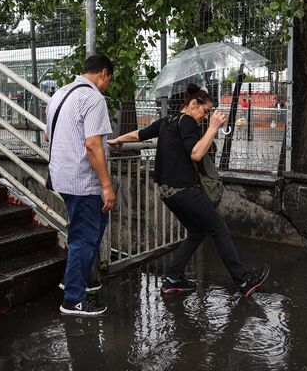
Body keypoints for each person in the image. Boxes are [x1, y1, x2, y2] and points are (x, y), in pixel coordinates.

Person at [108, 84, 270, 297]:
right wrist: (213, 128)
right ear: (194, 103)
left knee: (196, 232)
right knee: (219, 229)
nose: (205, 116)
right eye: (205, 111)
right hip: (184, 191)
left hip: (168, 193)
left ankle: (173, 279)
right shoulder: (187, 122)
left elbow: (140, 134)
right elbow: (195, 154)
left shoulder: (169, 120)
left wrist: (118, 139)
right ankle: (243, 281)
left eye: (208, 114)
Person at [46, 54, 116, 316]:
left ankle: (72, 278)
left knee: (91, 228)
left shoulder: (61, 94)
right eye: (109, 80)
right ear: (104, 73)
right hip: (83, 181)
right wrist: (107, 185)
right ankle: (73, 299)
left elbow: (48, 134)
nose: (107, 85)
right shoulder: (94, 98)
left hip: (62, 176)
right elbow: (92, 144)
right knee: (84, 238)